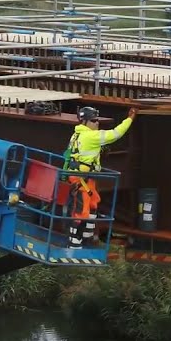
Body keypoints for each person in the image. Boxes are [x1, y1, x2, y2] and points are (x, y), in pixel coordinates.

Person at [65, 106, 136, 249]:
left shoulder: (76, 135)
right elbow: (116, 134)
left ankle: (87, 239)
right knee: (81, 210)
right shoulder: (91, 136)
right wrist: (130, 119)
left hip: (85, 178)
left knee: (93, 204)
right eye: (94, 120)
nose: (97, 123)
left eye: (97, 120)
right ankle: (74, 243)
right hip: (80, 179)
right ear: (85, 122)